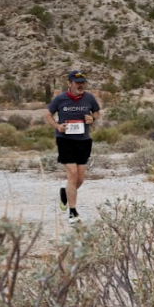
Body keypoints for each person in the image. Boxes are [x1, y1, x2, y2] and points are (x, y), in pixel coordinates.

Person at [45, 71, 101, 225]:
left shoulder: (89, 98)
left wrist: (92, 118)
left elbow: (96, 112)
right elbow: (48, 115)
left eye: (83, 82)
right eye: (77, 83)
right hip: (65, 140)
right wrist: (57, 126)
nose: (81, 85)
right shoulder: (60, 98)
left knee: (80, 179)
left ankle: (65, 192)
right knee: (73, 175)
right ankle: (73, 212)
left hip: (84, 141)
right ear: (70, 84)